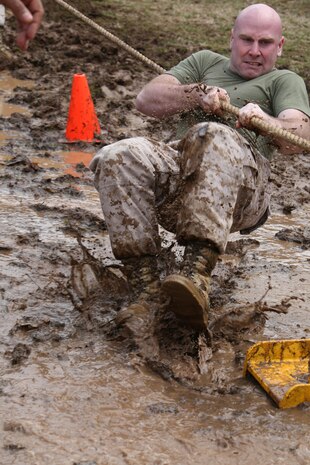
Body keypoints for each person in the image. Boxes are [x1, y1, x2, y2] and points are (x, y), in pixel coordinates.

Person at [90, 4, 310, 336]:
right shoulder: (204, 62)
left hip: (241, 193)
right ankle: (145, 286)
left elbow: (299, 134)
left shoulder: (283, 80)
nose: (254, 51)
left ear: (279, 46)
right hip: (179, 179)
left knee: (214, 133)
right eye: (246, 40)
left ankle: (197, 275)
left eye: (264, 43)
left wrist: (266, 122)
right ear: (231, 38)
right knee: (117, 154)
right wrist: (196, 94)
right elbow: (146, 100)